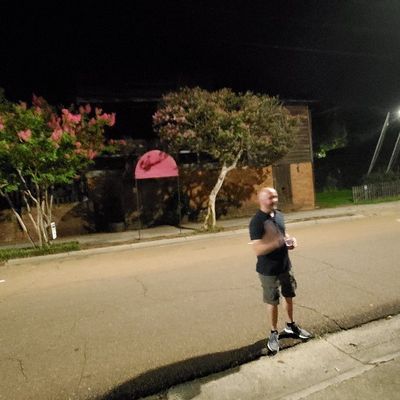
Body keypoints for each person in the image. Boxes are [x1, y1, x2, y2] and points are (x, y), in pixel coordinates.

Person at [249, 187, 312, 352]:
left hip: (285, 265)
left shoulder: (279, 215)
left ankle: (290, 326)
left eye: (275, 196)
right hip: (268, 270)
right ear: (261, 200)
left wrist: (290, 241)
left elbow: (283, 234)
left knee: (289, 295)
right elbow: (257, 249)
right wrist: (276, 243)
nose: (275, 200)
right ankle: (273, 332)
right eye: (271, 197)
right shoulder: (257, 221)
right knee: (272, 301)